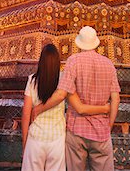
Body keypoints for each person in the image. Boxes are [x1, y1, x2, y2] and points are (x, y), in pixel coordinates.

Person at [32, 26, 121, 171]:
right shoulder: (109, 64)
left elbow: (61, 94)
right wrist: (108, 125)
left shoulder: (73, 61)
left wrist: (39, 108)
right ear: (96, 43)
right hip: (101, 131)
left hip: (76, 130)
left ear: (79, 43)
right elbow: (116, 99)